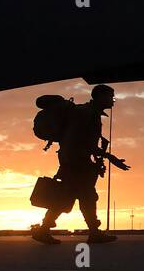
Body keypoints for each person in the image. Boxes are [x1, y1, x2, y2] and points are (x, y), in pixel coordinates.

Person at [31, 84, 123, 245]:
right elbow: (78, 140)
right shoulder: (86, 114)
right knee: (86, 197)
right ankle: (93, 233)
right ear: (100, 97)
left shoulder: (88, 112)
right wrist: (109, 156)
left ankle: (44, 230)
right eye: (111, 96)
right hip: (76, 162)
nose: (113, 100)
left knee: (68, 197)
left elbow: (84, 141)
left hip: (74, 161)